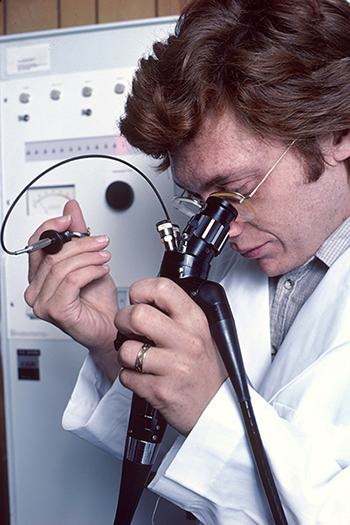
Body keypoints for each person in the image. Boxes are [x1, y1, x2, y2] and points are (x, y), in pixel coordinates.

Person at [24, 0, 350, 523]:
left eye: (235, 191)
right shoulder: (237, 259)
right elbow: (183, 464)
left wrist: (211, 410)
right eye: (200, 202)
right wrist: (112, 341)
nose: (224, 228)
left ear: (337, 133)